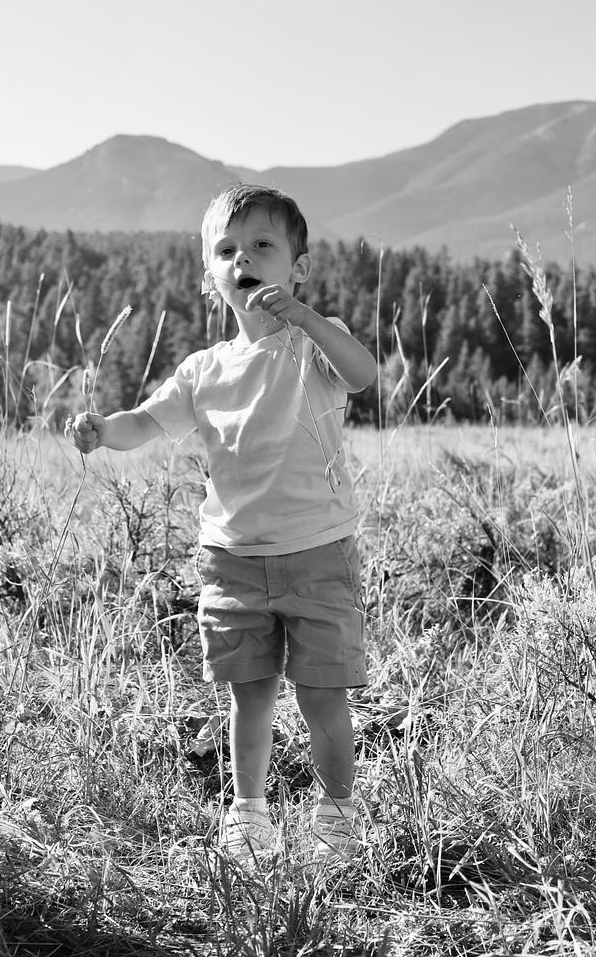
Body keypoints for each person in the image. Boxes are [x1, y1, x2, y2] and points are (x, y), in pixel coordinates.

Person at [71, 184, 376, 864]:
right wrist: (103, 429)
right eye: (227, 250)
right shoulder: (203, 370)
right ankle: (249, 814)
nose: (244, 259)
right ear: (211, 276)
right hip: (232, 560)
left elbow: (362, 375)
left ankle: (336, 817)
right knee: (250, 696)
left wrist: (306, 317)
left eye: (263, 245)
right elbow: (146, 422)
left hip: (318, 552)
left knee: (322, 694)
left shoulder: (312, 345)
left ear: (298, 267)